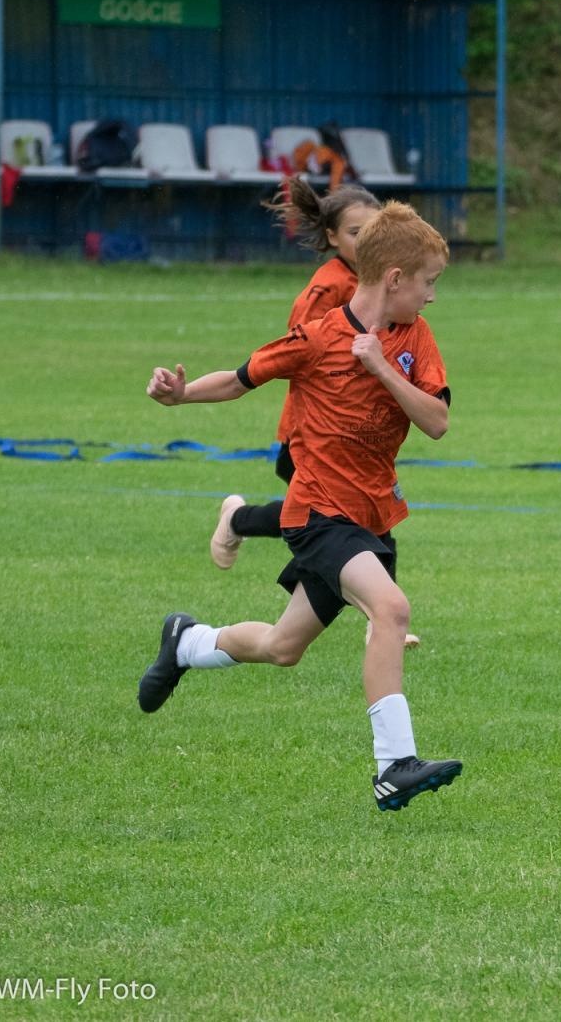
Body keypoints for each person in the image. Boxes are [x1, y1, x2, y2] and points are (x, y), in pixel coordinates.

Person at [139, 201, 461, 811]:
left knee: (282, 648)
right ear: (395, 278)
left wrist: (382, 368)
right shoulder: (318, 336)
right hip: (317, 513)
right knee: (391, 609)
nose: (432, 296)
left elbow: (437, 421)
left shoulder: (414, 337)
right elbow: (242, 377)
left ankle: (185, 642)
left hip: (371, 516)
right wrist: (180, 396)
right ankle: (394, 765)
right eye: (428, 282)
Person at [208, 179, 421, 648]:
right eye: (355, 233)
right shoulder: (327, 288)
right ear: (331, 237)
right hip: (311, 432)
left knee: (368, 510)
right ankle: (239, 519)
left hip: (357, 432)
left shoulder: (385, 284)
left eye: (373, 231)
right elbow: (299, 348)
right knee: (326, 515)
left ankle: (378, 615)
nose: (366, 241)